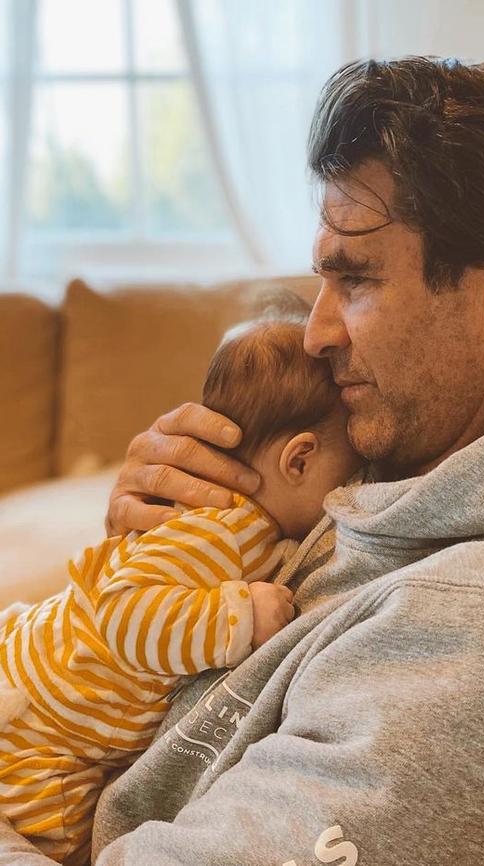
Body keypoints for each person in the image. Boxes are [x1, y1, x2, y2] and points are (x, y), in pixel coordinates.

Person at [1, 56, 484, 866]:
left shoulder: (473, 639)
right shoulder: (424, 454)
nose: (316, 333)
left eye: (356, 277)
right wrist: (163, 538)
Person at [0, 318, 362, 866]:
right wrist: (240, 615)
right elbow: (123, 613)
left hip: (55, 703)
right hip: (46, 733)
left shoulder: (242, 528)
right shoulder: (223, 527)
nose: (355, 488)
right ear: (299, 460)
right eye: (351, 473)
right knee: (58, 840)